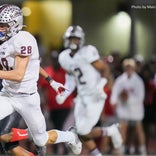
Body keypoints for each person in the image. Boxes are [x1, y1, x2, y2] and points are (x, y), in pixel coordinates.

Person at [0, 4, 82, 156]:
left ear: (14, 24)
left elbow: (19, 74)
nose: (0, 29)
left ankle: (70, 136)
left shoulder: (23, 39)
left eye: (3, 25)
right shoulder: (4, 42)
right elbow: (33, 65)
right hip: (7, 94)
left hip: (26, 98)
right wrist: (50, 80)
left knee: (41, 140)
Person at [57, 25, 123, 156]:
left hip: (95, 95)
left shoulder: (87, 52)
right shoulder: (64, 57)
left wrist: (101, 85)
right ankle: (100, 149)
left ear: (81, 40)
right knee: (81, 131)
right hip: (81, 96)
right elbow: (71, 78)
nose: (73, 42)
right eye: (71, 39)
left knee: (81, 130)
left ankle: (111, 131)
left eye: (76, 39)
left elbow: (105, 69)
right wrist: (64, 93)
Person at [110, 58, 147, 155]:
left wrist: (128, 97)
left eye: (130, 67)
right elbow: (115, 93)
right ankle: (121, 148)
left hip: (136, 110)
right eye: (126, 67)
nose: (128, 69)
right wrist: (114, 102)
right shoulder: (120, 80)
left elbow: (140, 97)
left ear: (133, 68)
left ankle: (142, 149)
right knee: (123, 129)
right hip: (123, 109)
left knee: (138, 130)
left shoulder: (138, 81)